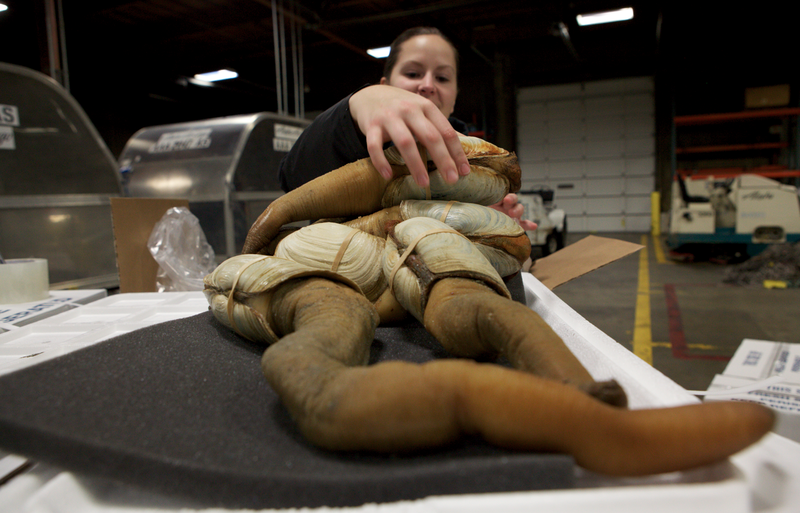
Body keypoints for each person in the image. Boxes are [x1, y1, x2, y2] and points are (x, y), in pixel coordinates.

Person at [278, 26, 535, 230]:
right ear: (385, 84)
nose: (427, 85)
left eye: (443, 77)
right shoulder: (351, 136)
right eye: (413, 73)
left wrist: (493, 222)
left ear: (455, 97)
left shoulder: (478, 162)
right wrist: (356, 106)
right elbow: (292, 179)